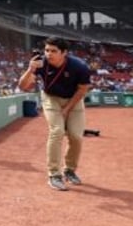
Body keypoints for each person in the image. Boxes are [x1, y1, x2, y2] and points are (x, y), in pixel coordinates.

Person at [18, 37, 92, 191]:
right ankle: (54, 174)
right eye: (47, 50)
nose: (48, 54)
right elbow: (23, 86)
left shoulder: (79, 66)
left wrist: (67, 109)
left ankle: (69, 170)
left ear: (64, 53)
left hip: (74, 100)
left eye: (53, 51)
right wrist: (30, 69)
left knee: (76, 137)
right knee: (57, 131)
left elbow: (83, 89)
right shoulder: (40, 64)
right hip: (51, 99)